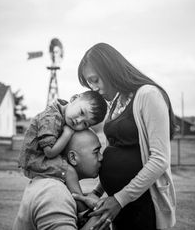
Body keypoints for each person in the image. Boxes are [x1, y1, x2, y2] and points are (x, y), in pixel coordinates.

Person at [74, 43, 176, 230]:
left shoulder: (148, 95)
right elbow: (115, 151)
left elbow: (160, 159)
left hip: (144, 205)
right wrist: (98, 192)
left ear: (110, 68)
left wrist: (119, 200)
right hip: (121, 205)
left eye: (95, 80)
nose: (94, 88)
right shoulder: (116, 103)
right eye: (90, 84)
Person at [18, 90, 107, 212]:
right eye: (81, 112)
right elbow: (49, 152)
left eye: (85, 124)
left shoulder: (63, 114)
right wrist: (67, 134)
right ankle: (82, 210)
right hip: (36, 159)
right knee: (69, 171)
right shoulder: (51, 118)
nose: (78, 121)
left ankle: (74, 199)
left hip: (44, 157)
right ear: (74, 98)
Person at [13, 129, 105, 230]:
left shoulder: (51, 183)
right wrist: (100, 214)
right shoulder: (54, 193)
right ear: (73, 158)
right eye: (96, 152)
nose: (101, 157)